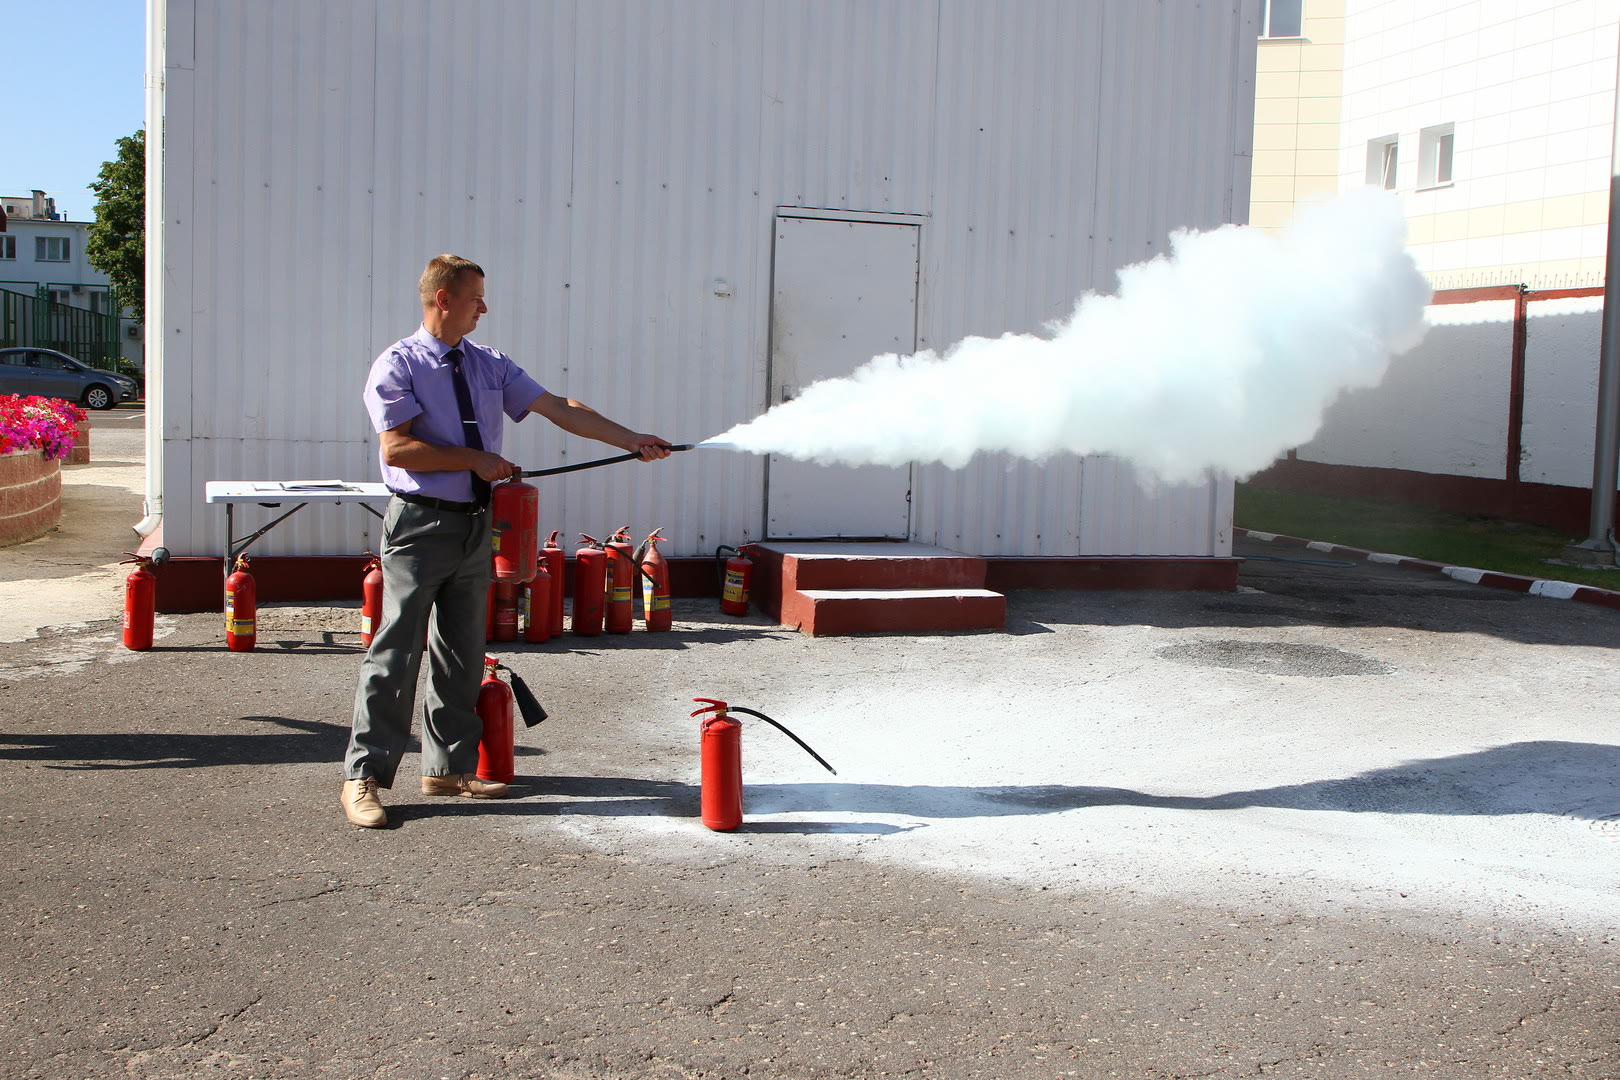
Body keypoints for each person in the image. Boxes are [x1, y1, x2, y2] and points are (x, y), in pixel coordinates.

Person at [341, 254, 670, 828]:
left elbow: (557, 407)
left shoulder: (490, 364)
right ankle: (364, 777)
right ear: (443, 299)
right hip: (420, 523)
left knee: (462, 650)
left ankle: (446, 767)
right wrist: (478, 459)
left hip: (475, 522)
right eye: (475, 298)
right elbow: (396, 449)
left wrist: (631, 438)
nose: (484, 308)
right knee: (396, 652)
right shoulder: (398, 364)